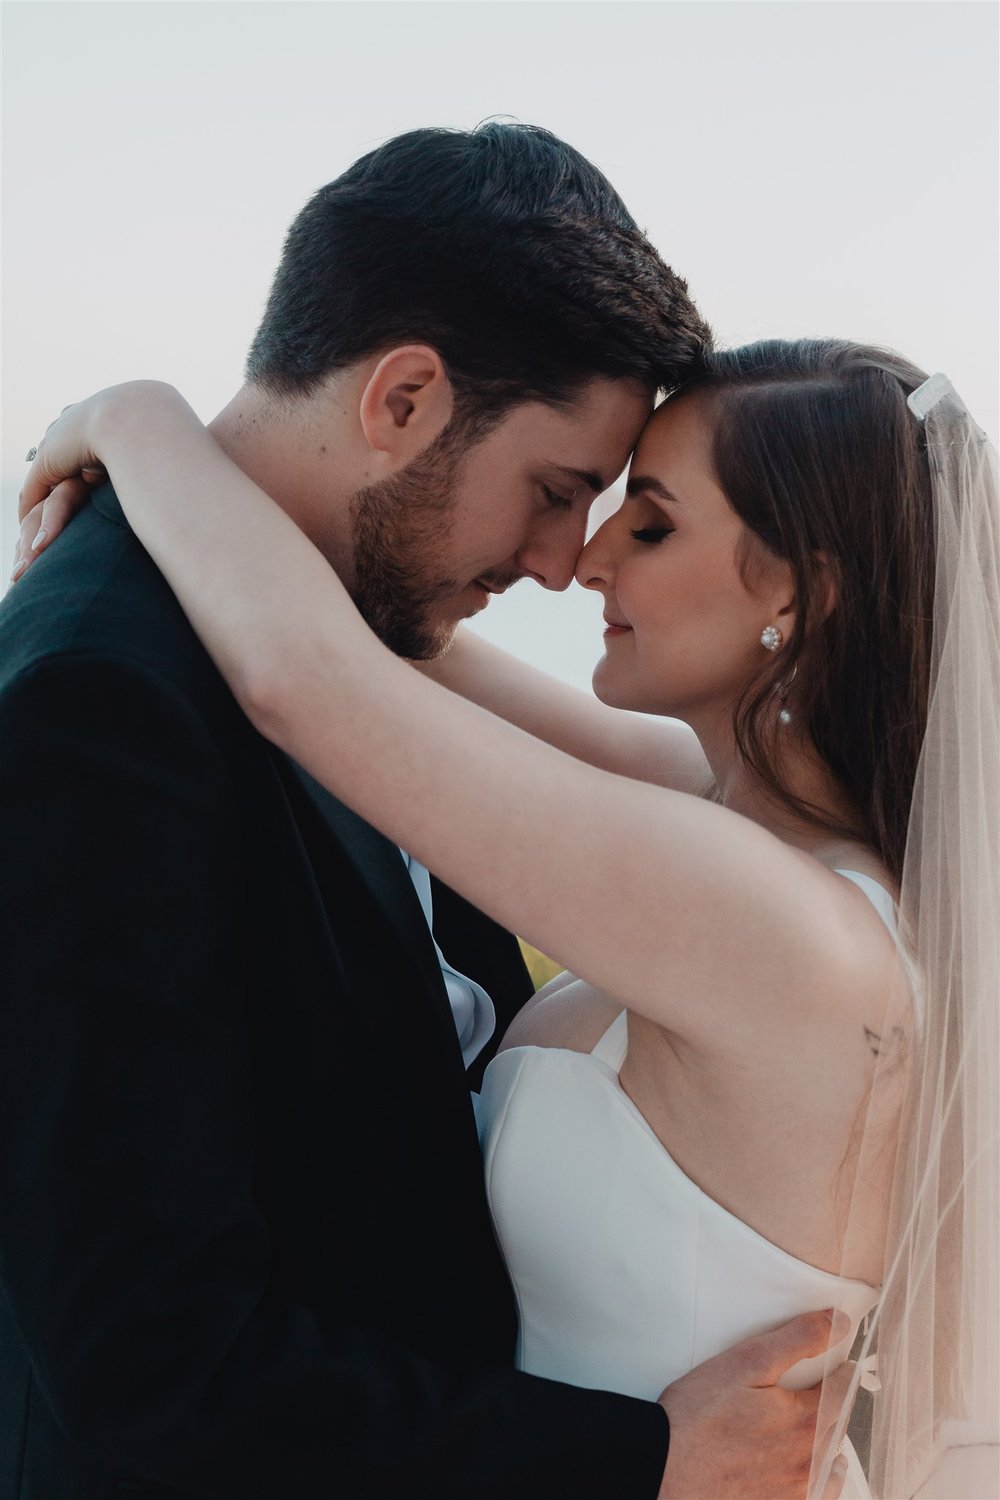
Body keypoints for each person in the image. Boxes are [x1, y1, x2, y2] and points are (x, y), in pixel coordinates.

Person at [0, 124, 847, 1500]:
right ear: (401, 398)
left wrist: (135, 417)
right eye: (559, 492)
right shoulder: (107, 700)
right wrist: (633, 1462)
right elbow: (151, 1371)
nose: (566, 564)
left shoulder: (365, 663)